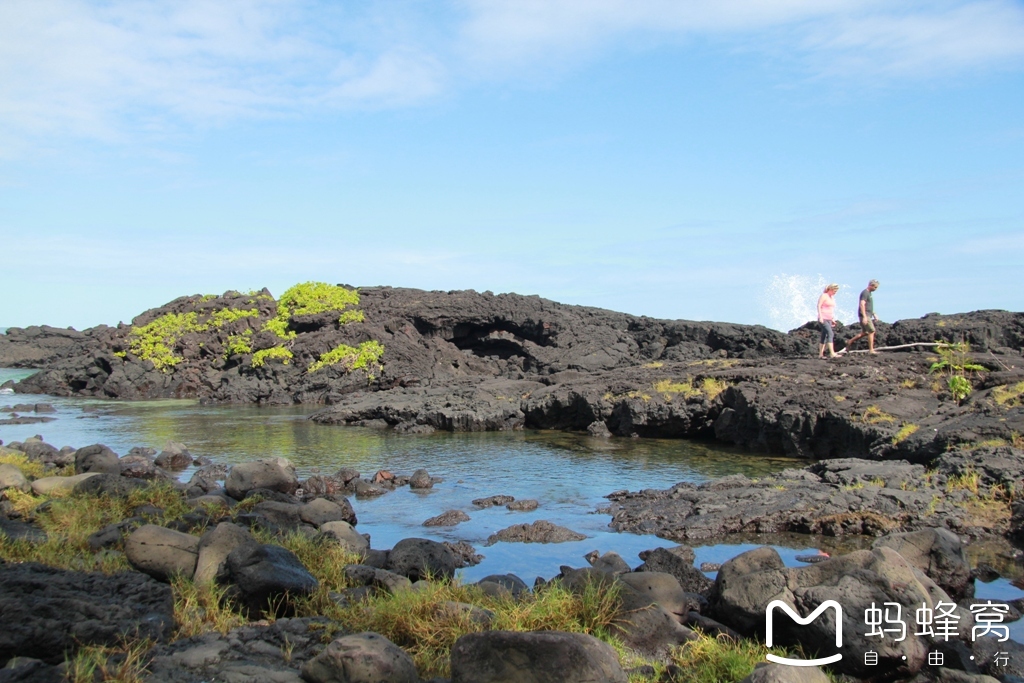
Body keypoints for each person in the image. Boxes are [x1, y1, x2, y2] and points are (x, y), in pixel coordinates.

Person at [845, 279, 880, 354]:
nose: (876, 289)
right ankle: (871, 350)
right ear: (871, 285)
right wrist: (864, 316)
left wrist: (874, 314)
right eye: (875, 287)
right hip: (865, 315)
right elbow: (862, 304)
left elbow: (869, 306)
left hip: (868, 314)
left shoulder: (869, 293)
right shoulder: (865, 293)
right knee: (872, 331)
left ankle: (849, 341)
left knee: (865, 332)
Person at [816, 284, 839, 359]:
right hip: (823, 318)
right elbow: (819, 305)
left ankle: (820, 354)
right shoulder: (824, 295)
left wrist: (832, 319)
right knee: (830, 333)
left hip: (829, 319)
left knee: (824, 335)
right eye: (834, 290)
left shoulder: (832, 297)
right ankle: (832, 353)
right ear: (830, 289)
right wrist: (821, 317)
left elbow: (831, 309)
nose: (835, 292)